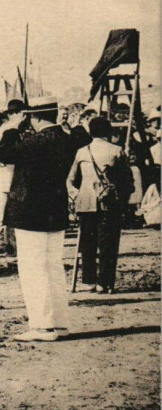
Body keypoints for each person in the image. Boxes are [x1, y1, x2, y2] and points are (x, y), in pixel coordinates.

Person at [0, 97, 76, 342]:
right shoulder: (65, 139)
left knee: (33, 269)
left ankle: (42, 326)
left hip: (31, 213)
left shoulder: (35, 142)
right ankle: (59, 323)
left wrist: (12, 127)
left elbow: (3, 154)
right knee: (53, 268)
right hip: (55, 211)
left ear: (35, 116)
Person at [67, 117, 133, 294]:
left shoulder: (82, 152)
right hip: (109, 203)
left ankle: (88, 280)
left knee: (87, 243)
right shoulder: (117, 151)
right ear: (108, 131)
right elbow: (127, 181)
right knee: (108, 244)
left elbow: (70, 180)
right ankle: (104, 282)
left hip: (85, 203)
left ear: (90, 132)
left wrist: (76, 195)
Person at [0, 99, 24, 252]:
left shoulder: (18, 127)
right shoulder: (6, 128)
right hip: (5, 174)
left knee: (12, 211)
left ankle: (10, 243)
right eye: (16, 113)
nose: (20, 115)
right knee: (1, 210)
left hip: (14, 173)